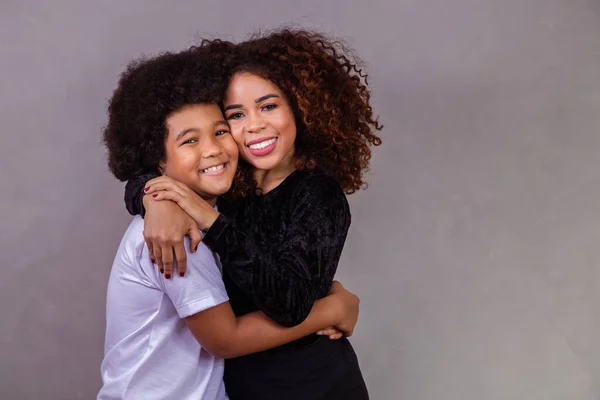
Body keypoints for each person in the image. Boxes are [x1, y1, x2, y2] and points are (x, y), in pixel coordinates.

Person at [125, 29, 382, 400]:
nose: (254, 125)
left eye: (269, 106)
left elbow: (289, 304)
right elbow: (142, 177)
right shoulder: (228, 182)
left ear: (300, 106)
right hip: (243, 387)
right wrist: (156, 199)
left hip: (313, 384)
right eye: (235, 115)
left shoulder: (317, 193)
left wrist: (209, 220)